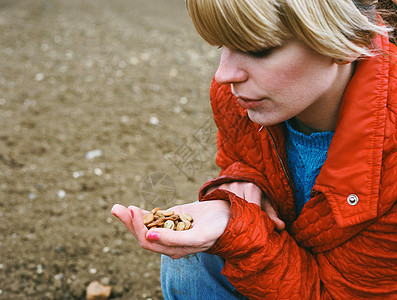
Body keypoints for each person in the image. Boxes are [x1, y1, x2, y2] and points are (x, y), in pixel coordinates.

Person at [111, 0, 397, 299]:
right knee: (195, 259)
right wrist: (242, 183)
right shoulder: (237, 100)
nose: (224, 74)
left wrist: (242, 235)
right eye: (224, 45)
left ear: (344, 42)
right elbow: (240, 157)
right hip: (285, 270)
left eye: (257, 50)